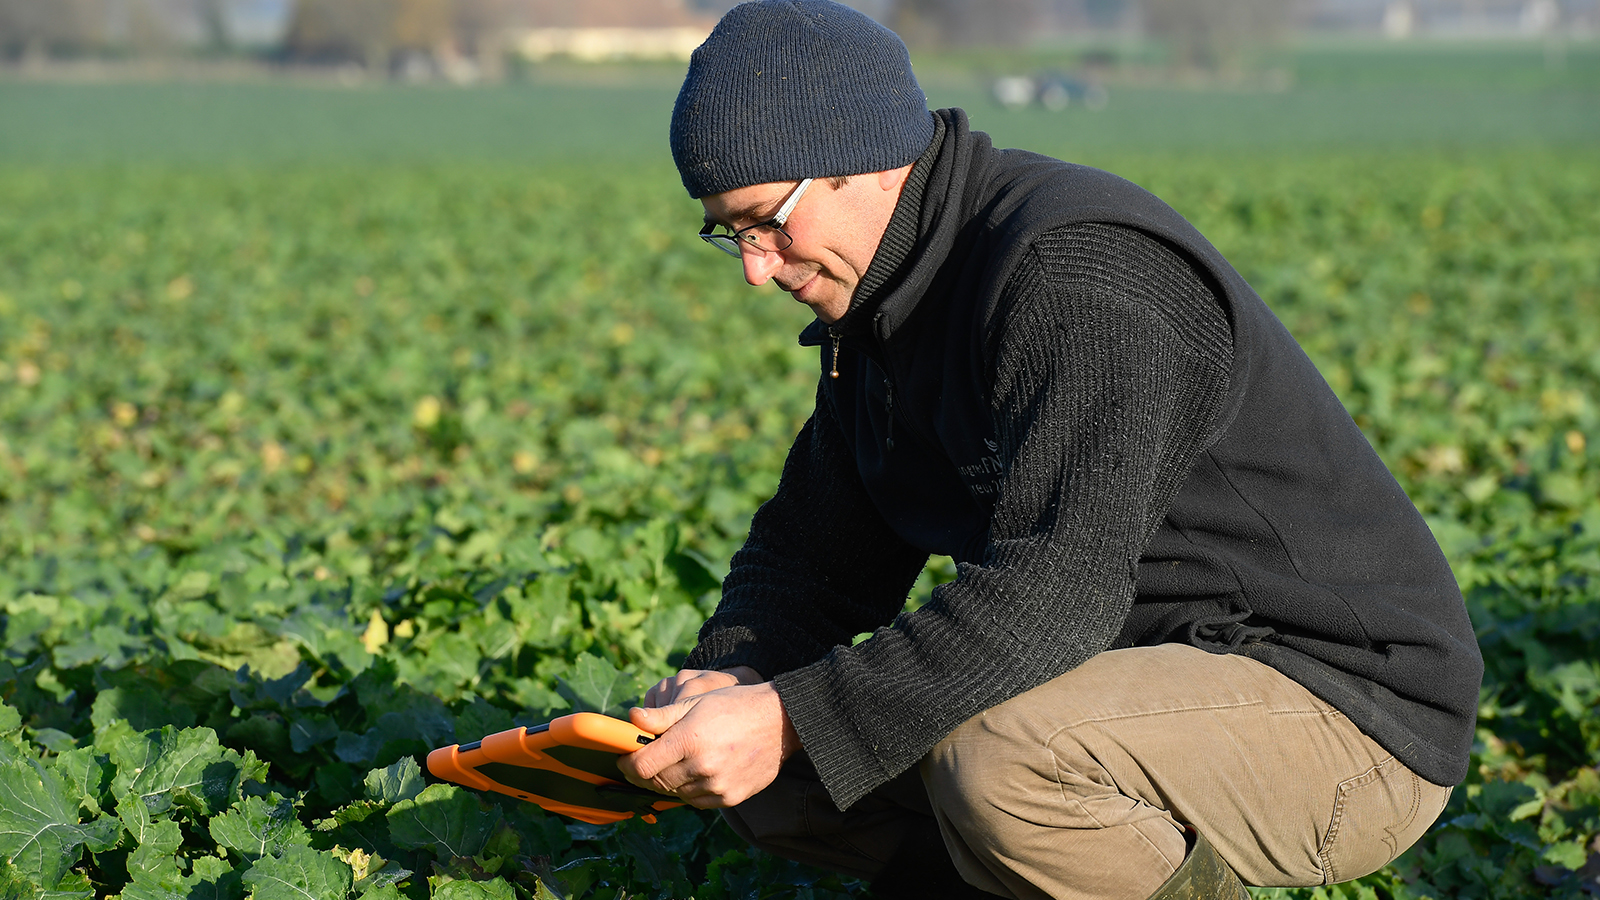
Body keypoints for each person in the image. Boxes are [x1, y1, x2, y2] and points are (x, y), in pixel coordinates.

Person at [614, 3, 1484, 898]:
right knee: (763, 773)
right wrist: (733, 678)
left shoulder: (1075, 270)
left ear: (863, 157)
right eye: (731, 234)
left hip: (1337, 704)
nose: (757, 267)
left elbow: (1060, 594)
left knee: (1006, 762)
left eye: (767, 222)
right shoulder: (886, 302)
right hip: (1125, 671)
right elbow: (816, 553)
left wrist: (792, 716)